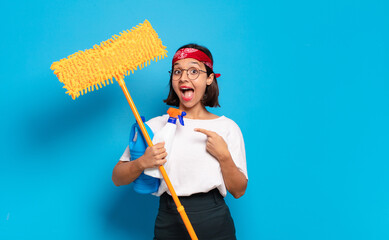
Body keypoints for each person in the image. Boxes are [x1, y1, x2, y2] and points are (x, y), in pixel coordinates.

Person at [112, 43, 248, 240]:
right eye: (177, 71)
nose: (184, 77)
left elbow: (238, 190)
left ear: (210, 78)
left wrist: (224, 156)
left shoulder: (227, 128)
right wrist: (143, 162)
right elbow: (117, 177)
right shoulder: (153, 127)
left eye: (194, 70)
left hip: (214, 219)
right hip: (169, 219)